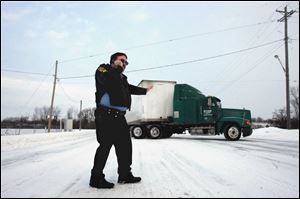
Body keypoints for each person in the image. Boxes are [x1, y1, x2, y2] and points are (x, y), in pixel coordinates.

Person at [90, 52, 152, 189]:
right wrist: (117, 69)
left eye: (126, 62)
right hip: (106, 116)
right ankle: (96, 178)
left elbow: (128, 88)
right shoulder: (103, 70)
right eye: (122, 60)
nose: (124, 64)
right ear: (113, 61)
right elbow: (109, 80)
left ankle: (124, 175)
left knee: (125, 146)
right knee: (105, 146)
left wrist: (145, 91)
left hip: (120, 117)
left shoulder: (122, 77)